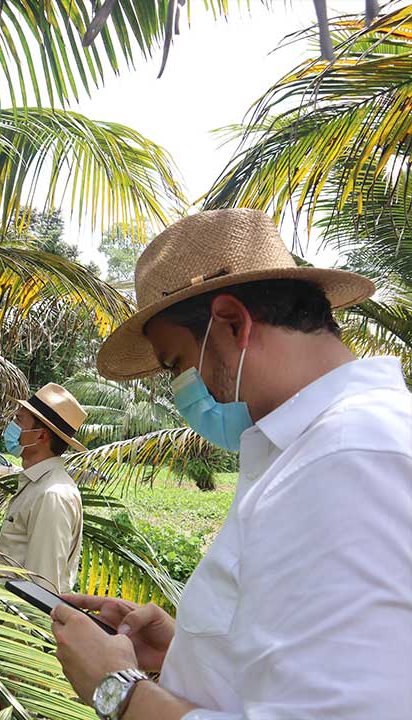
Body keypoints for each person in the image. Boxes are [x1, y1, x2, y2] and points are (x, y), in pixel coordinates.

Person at [48, 209, 412, 720]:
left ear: (233, 323)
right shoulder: (315, 451)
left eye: (177, 364)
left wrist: (118, 691)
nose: (182, 391)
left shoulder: (348, 457)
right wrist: (189, 652)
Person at [0, 382, 89, 594]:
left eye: (19, 420)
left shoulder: (52, 495)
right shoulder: (38, 484)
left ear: (40, 436)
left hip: (17, 614)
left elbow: (43, 587)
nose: (12, 426)